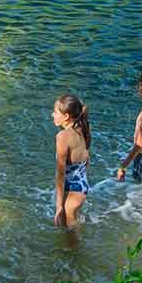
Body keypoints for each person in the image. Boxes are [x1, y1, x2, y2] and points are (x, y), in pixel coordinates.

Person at [52, 94, 91, 227]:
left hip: (73, 189)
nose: (53, 115)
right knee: (71, 228)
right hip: (81, 184)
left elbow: (61, 173)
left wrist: (59, 206)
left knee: (70, 236)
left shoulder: (62, 136)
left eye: (56, 112)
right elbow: (87, 159)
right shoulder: (82, 129)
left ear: (66, 116)